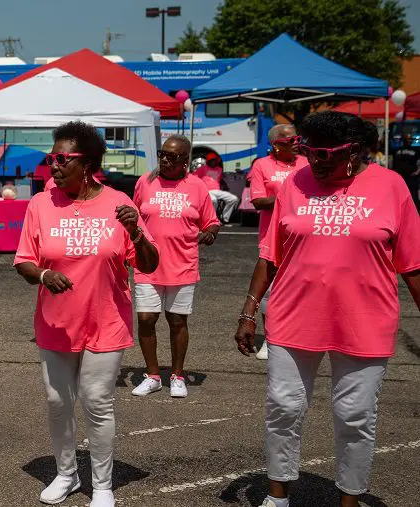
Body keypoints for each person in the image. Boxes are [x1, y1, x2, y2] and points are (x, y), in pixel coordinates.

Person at [233, 111, 420, 507]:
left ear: (353, 151)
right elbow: (270, 256)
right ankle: (278, 494)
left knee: (355, 416)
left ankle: (349, 499)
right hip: (292, 315)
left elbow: (413, 264)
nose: (313, 161)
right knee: (284, 407)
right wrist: (249, 312)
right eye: (307, 151)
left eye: (324, 154)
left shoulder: (391, 186)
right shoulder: (295, 183)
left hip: (364, 321)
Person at [13, 121, 160, 507]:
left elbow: (148, 262)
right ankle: (66, 474)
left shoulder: (119, 203)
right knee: (57, 401)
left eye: (64, 158)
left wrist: (139, 234)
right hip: (55, 324)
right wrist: (44, 274)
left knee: (97, 401)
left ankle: (103, 485)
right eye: (52, 157)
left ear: (89, 163)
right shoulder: (40, 204)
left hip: (105, 321)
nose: (55, 165)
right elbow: (24, 262)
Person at [130, 135, 220, 398]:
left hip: (183, 264)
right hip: (147, 264)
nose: (165, 159)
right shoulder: (145, 182)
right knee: (146, 319)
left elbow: (211, 221)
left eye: (172, 156)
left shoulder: (198, 187)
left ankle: (178, 375)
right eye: (162, 153)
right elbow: (132, 217)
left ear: (185, 161)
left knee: (177, 321)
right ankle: (153, 375)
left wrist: (210, 233)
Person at [247, 124, 307, 361]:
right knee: (270, 291)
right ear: (275, 145)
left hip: (304, 237)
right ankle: (270, 340)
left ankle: (298, 336)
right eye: (291, 139)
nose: (296, 143)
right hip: (272, 236)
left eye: (297, 138)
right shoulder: (262, 165)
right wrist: (289, 197)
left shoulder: (306, 163)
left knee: (302, 289)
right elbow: (258, 202)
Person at [196, 153, 239, 224]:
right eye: (212, 160)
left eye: (215, 160)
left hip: (217, 191)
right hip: (207, 191)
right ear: (208, 161)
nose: (214, 162)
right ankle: (211, 219)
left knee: (233, 198)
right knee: (213, 200)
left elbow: (220, 180)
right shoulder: (203, 168)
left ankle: (224, 218)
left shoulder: (219, 169)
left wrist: (225, 185)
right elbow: (195, 177)